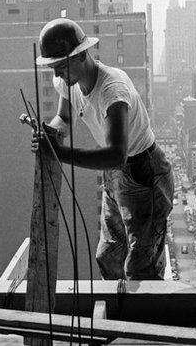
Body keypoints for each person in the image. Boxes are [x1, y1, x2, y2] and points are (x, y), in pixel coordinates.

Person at [31, 18, 174, 280]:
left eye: (60, 67)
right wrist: (49, 134)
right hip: (115, 175)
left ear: (82, 55)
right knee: (109, 255)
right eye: (52, 68)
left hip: (143, 173)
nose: (57, 75)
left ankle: (144, 319)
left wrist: (59, 153)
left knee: (141, 268)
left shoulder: (112, 91)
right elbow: (64, 118)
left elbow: (115, 155)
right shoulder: (69, 82)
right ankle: (120, 316)